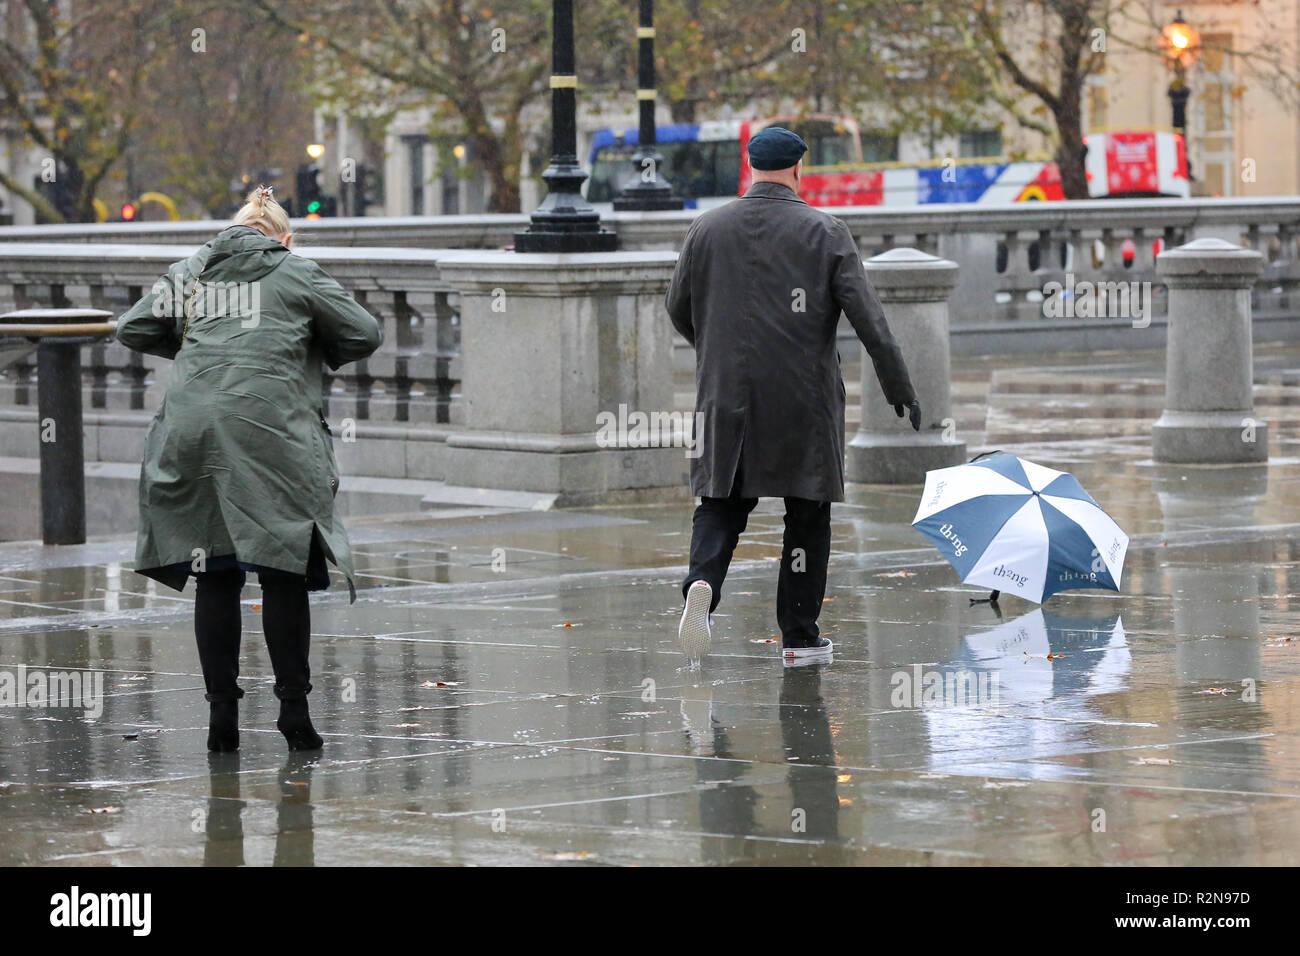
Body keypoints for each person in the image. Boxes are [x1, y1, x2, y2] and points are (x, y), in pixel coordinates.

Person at [116, 185, 382, 751]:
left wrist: (202, 349)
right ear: (284, 238)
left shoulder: (193, 267)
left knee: (214, 571)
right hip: (268, 429)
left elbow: (133, 328)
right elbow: (364, 332)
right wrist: (293, 347)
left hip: (191, 433)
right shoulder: (294, 269)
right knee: (284, 570)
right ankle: (294, 713)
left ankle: (221, 722)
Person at [665, 128, 920, 664]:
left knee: (720, 502)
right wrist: (897, 382)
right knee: (807, 512)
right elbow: (868, 319)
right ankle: (800, 637)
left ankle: (701, 583)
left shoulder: (706, 229)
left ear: (749, 164)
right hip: (802, 396)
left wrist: (714, 349)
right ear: (800, 167)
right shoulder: (825, 232)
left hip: (725, 392)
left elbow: (678, 306)